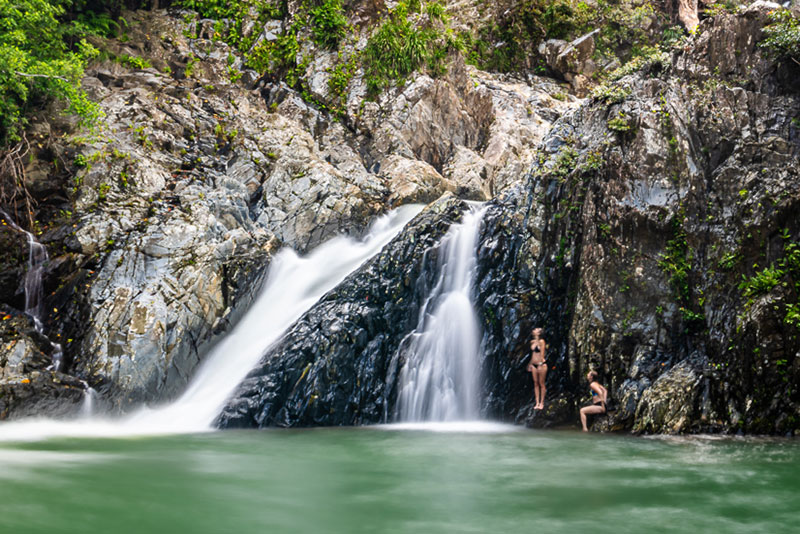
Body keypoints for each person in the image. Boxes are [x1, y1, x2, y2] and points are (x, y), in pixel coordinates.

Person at [526, 327, 547, 410]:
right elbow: (533, 355)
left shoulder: (542, 341)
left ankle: (542, 403)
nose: (534, 330)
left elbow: (542, 355)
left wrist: (541, 364)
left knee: (541, 383)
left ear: (539, 333)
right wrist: (529, 364)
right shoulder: (532, 342)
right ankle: (537, 402)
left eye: (536, 329)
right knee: (535, 383)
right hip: (533, 364)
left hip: (541, 365)